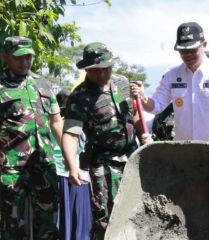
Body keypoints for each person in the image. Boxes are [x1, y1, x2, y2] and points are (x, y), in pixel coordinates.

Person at [130, 21, 209, 239]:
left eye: (192, 49)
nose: (187, 55)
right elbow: (154, 105)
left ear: (204, 44)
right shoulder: (172, 75)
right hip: (187, 156)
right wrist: (142, 96)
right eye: (183, 50)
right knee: (188, 206)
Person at [62, 42, 151, 239]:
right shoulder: (80, 96)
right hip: (102, 163)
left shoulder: (122, 83)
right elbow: (70, 134)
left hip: (132, 158)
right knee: (105, 215)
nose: (102, 75)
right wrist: (72, 166)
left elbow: (133, 115)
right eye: (96, 71)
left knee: (136, 210)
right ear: (87, 69)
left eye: (106, 69)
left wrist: (143, 134)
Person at [0, 36, 63, 239]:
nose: (25, 62)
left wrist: (72, 159)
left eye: (29, 57)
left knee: (48, 225)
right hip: (12, 166)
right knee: (13, 225)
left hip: (45, 165)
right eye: (19, 57)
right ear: (6, 57)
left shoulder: (44, 84)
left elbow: (56, 122)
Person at [54, 90, 92, 240]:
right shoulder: (77, 123)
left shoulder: (51, 121)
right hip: (76, 175)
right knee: (78, 225)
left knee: (61, 222)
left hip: (59, 175)